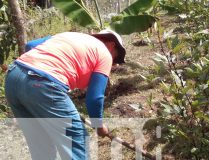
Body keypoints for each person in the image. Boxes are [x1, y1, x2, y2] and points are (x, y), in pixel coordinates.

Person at [5, 29, 126, 160]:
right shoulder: (104, 54)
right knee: (75, 137)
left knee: (40, 142)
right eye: (116, 57)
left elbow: (30, 45)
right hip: (42, 84)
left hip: (13, 77)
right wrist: (99, 125)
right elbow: (95, 98)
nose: (113, 63)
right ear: (112, 45)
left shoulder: (69, 36)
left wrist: (33, 69)